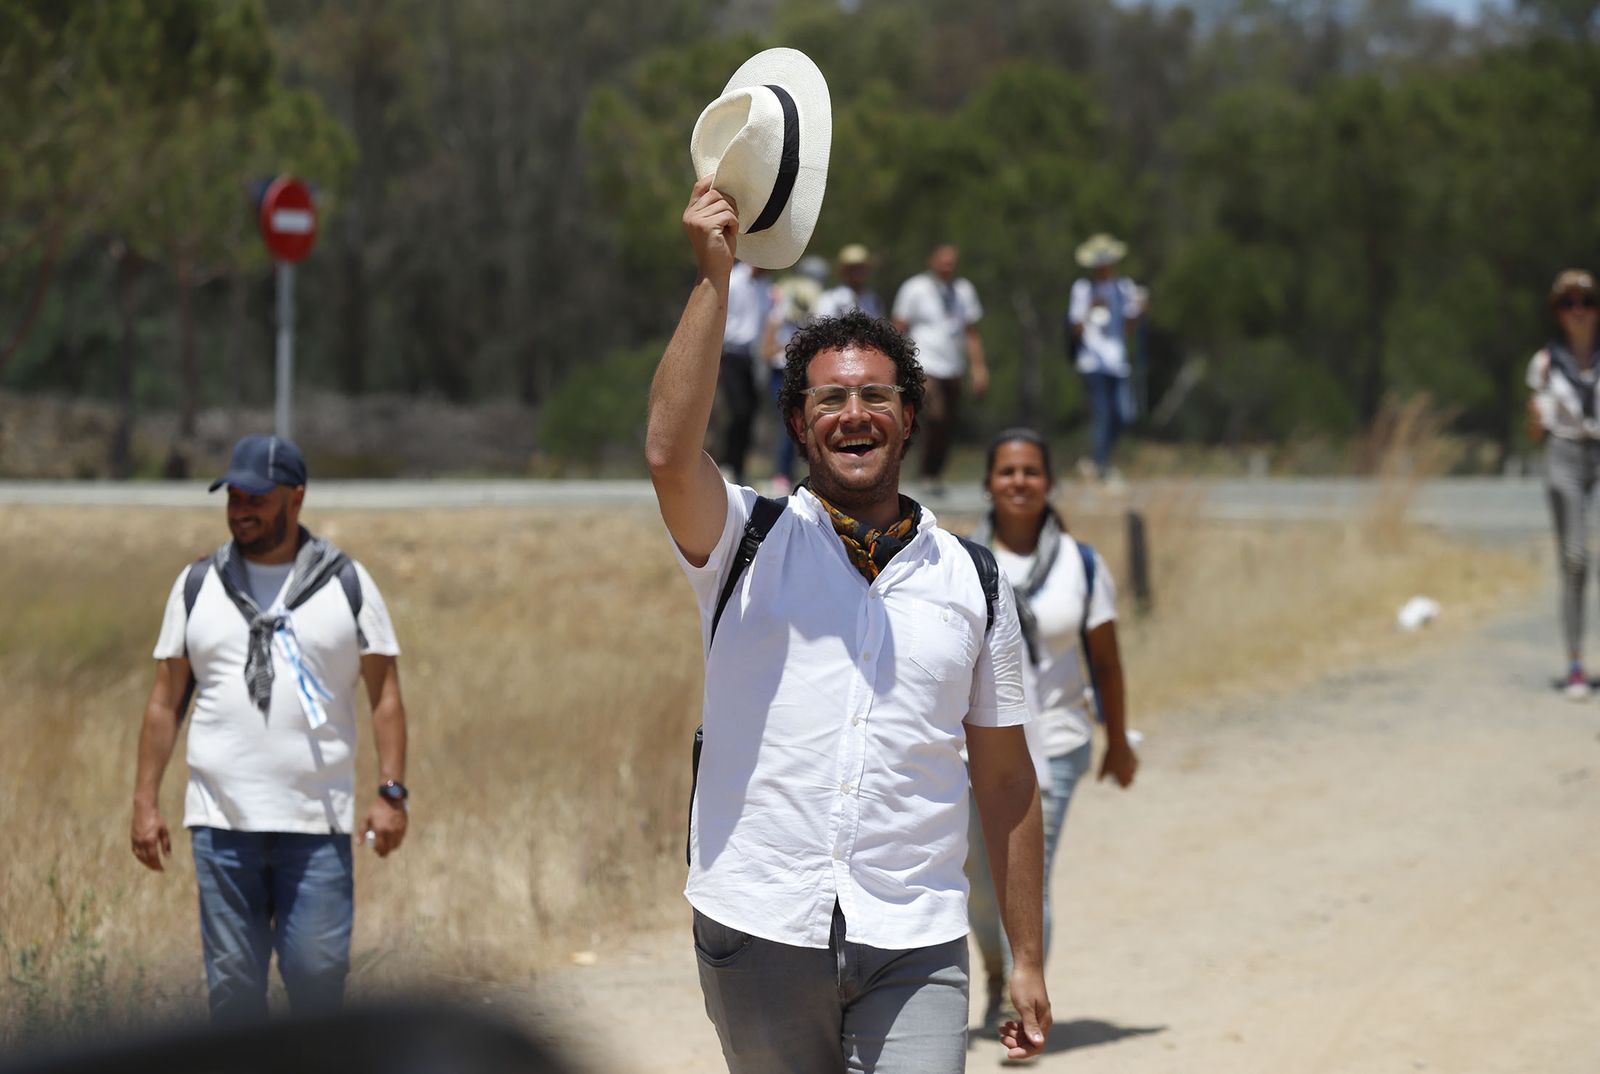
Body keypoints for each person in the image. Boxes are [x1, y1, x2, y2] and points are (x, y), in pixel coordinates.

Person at [647, 174, 1050, 1072]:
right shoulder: (744, 542)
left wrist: (1024, 954)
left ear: (909, 417)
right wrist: (715, 282)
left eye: (875, 397)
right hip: (759, 924)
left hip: (914, 936)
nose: (853, 415)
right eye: (829, 400)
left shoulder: (974, 581)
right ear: (799, 423)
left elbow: (1007, 781)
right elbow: (670, 452)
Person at [130, 434, 409, 1022]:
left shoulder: (346, 585)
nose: (241, 509)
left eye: (256, 496)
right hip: (221, 824)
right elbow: (164, 700)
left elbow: (385, 696)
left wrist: (391, 794)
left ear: (296, 497)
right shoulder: (198, 585)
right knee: (233, 992)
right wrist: (145, 802)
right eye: (232, 495)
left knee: (317, 981)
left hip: (317, 824)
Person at [962, 428, 1139, 1040]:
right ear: (988, 483)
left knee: (1027, 878)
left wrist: (1117, 741)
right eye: (1006, 471)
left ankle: (1023, 1000)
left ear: (1050, 483)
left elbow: (1107, 662)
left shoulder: (1081, 565)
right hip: (973, 750)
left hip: (1056, 743)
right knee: (980, 889)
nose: (1018, 482)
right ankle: (993, 973)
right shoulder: (959, 558)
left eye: (1031, 471)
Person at [1526, 268, 1600, 699]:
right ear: (1558, 311)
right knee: (1574, 561)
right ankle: (1575, 664)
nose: (1579, 311)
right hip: (1564, 455)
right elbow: (1536, 431)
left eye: (1587, 302)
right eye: (1569, 303)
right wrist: (1534, 422)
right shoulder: (1544, 364)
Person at [892, 243, 987, 497]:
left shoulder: (963, 291)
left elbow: (971, 333)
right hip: (925, 362)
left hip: (953, 365)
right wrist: (897, 364)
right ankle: (920, 471)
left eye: (952, 261)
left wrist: (978, 368)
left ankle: (933, 474)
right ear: (932, 261)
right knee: (935, 415)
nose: (947, 266)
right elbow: (899, 326)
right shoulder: (915, 288)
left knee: (947, 424)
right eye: (943, 260)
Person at [1067, 234, 1146, 486]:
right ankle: (1101, 465)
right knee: (1102, 413)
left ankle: (1097, 460)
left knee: (1124, 414)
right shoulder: (1082, 288)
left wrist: (1141, 311)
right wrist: (1091, 308)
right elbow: (1075, 328)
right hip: (1092, 361)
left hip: (1117, 361)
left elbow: (1128, 327)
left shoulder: (1124, 287)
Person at [761, 255, 830, 493]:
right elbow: (770, 336)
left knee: (804, 422)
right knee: (788, 422)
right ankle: (782, 473)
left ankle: (793, 472)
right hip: (781, 370)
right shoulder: (783, 296)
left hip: (801, 370)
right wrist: (775, 350)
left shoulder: (821, 302)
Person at [717, 259, 774, 483]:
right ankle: (725, 463)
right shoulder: (734, 280)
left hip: (752, 358)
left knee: (750, 413)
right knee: (736, 411)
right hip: (729, 354)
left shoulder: (764, 287)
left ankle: (738, 467)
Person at [815, 243, 884, 320]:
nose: (859, 272)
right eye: (853, 268)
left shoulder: (874, 300)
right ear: (844, 271)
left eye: (862, 268)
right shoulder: (830, 299)